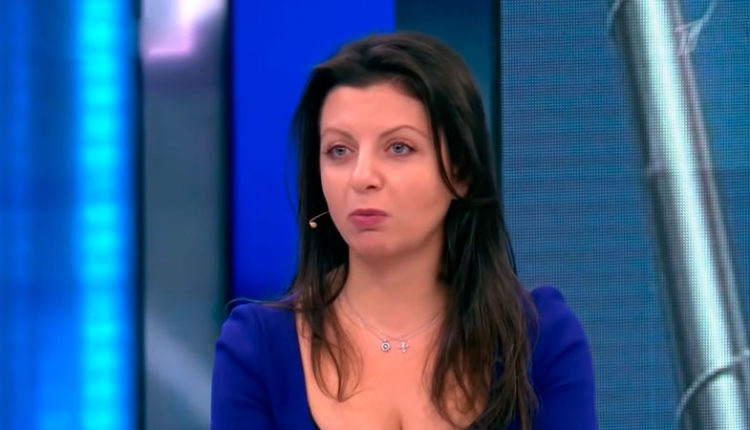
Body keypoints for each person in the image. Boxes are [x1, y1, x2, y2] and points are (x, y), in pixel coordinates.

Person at [211, 32, 596, 430]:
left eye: (398, 148)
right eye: (339, 151)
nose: (362, 177)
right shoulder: (256, 350)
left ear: (461, 172)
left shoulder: (540, 338)